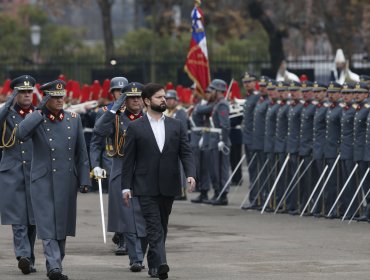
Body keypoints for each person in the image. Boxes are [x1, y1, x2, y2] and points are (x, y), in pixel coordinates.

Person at [17, 80, 91, 280]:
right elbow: (21, 134)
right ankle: (54, 267)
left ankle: (57, 262)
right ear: (47, 98)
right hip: (43, 180)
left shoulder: (73, 119)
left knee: (63, 227)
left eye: (61, 96)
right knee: (48, 225)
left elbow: (81, 152)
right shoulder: (37, 118)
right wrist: (38, 112)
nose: (59, 100)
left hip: (67, 179)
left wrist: (85, 178)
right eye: (54, 97)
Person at [121, 83, 196, 279]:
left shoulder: (176, 125)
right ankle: (162, 263)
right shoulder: (135, 127)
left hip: (169, 184)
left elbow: (186, 152)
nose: (164, 99)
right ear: (147, 101)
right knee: (154, 226)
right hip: (144, 186)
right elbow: (128, 161)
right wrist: (125, 187)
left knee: (162, 225)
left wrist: (190, 173)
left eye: (164, 97)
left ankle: (154, 265)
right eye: (158, 97)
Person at [93, 82, 147, 272]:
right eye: (130, 97)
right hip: (121, 168)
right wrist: (114, 109)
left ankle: (143, 253)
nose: (135, 100)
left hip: (144, 171)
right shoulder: (116, 118)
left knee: (145, 217)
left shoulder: (149, 117)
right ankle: (136, 258)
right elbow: (99, 133)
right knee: (128, 217)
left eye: (138, 97)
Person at [0, 75, 37, 274]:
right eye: (21, 92)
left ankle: (29, 258)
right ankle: (22, 255)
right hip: (12, 172)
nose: (26, 95)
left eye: (29, 92)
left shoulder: (39, 114)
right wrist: (7, 103)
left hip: (34, 172)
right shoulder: (6, 114)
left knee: (33, 219)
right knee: (18, 219)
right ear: (14, 94)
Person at [90, 76, 129, 254]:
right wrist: (95, 164)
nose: (121, 94)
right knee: (118, 200)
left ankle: (131, 234)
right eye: (117, 91)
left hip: (136, 160)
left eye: (123, 91)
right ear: (112, 93)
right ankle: (121, 236)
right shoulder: (105, 111)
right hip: (114, 158)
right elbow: (96, 140)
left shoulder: (136, 110)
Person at [164, 89, 189, 200]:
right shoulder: (166, 112)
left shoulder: (180, 112)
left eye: (171, 99)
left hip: (178, 143)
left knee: (180, 169)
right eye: (167, 99)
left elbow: (182, 129)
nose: (169, 102)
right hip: (168, 145)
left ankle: (182, 192)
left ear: (176, 100)